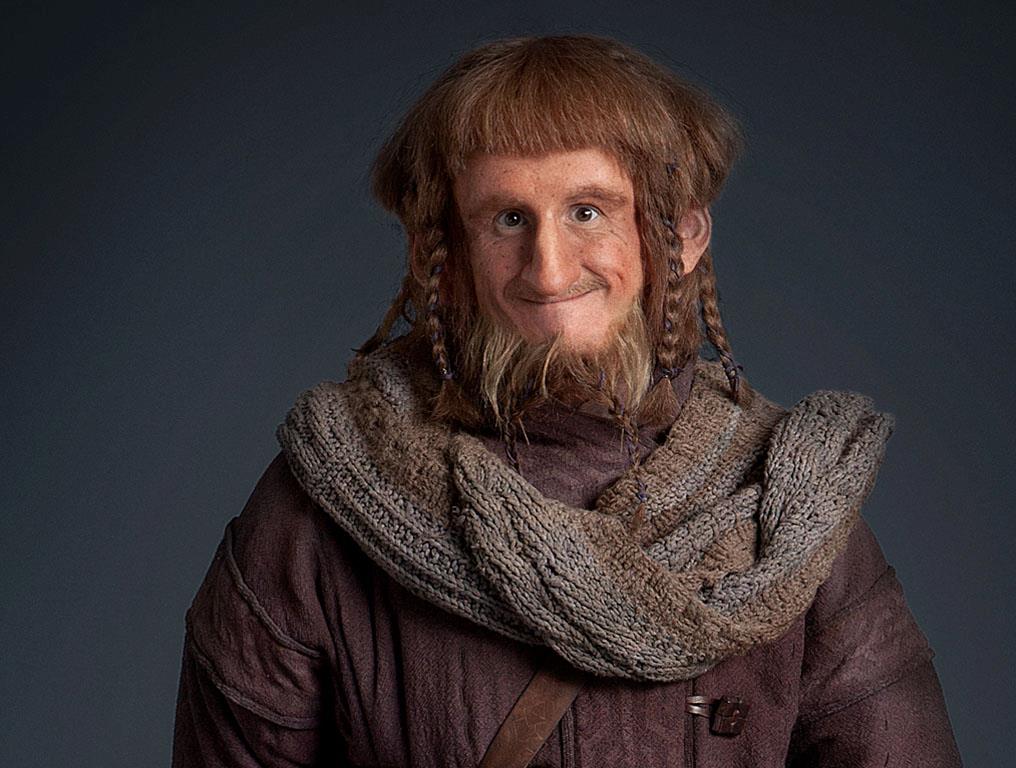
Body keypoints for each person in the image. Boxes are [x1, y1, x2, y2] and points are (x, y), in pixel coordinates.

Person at [172, 34, 962, 767]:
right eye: (507, 219)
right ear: (441, 255)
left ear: (682, 236)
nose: (549, 270)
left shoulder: (791, 507)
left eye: (588, 212)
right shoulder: (320, 509)